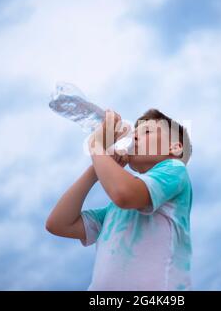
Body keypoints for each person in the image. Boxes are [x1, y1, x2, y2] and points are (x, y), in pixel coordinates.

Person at [46, 108, 193, 290]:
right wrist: (96, 169)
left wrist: (96, 146)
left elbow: (124, 194)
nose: (135, 137)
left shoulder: (175, 168)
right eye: (134, 133)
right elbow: (58, 224)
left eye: (146, 132)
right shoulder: (113, 211)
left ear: (175, 147)